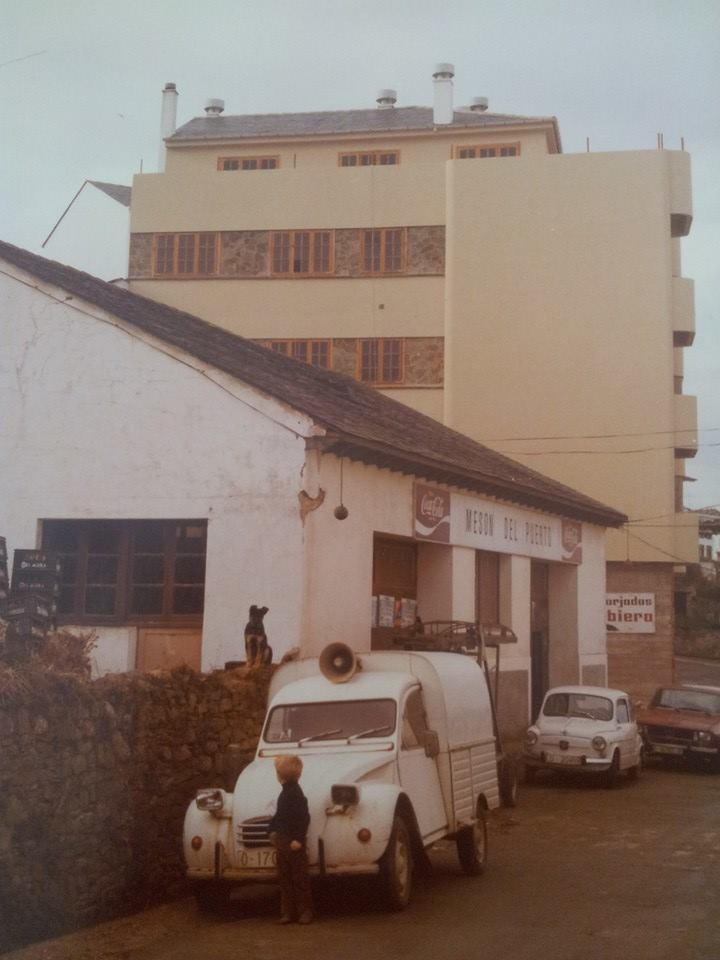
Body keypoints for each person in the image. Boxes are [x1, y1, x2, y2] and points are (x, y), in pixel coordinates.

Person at [268, 754, 313, 924]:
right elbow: (279, 815)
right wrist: (271, 829)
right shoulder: (286, 792)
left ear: (281, 776)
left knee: (298, 878)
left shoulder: (295, 794)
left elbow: (304, 818)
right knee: (285, 879)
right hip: (283, 841)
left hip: (293, 842)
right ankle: (288, 912)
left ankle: (304, 911)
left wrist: (298, 839)